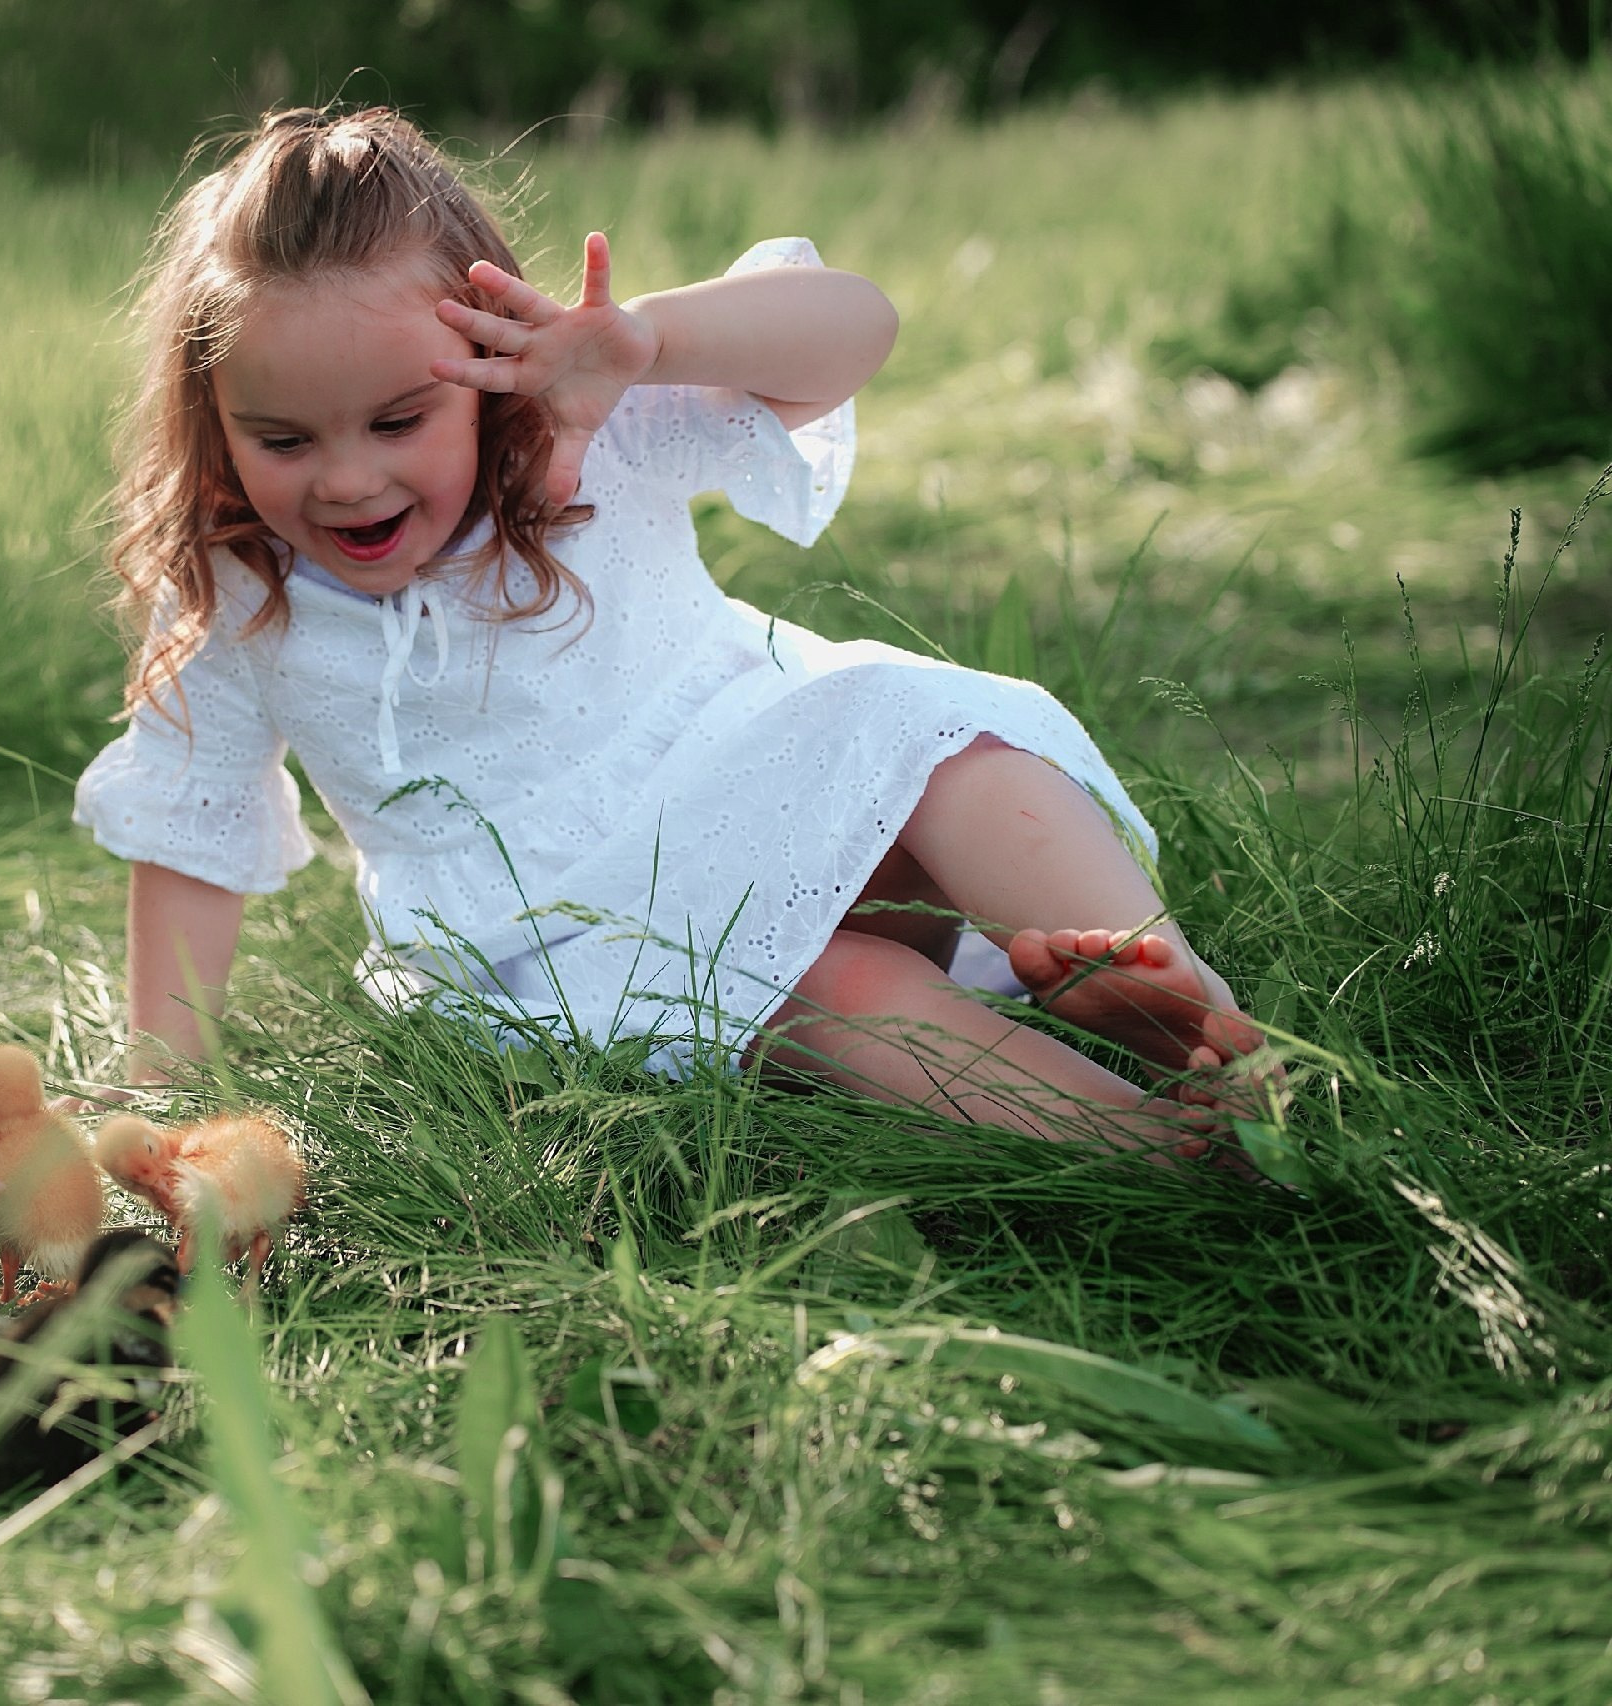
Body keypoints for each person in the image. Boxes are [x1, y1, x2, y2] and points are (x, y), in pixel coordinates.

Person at [72, 106, 1264, 1157]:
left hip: (779, 788)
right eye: (283, 440)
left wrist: (647, 339)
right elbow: (193, 829)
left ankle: (1188, 1011)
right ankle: (1146, 1138)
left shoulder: (582, 431)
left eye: (397, 419)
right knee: (819, 985)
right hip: (573, 932)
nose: (344, 480)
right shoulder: (238, 590)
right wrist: (161, 1080)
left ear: (496, 361)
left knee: (945, 746)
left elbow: (855, 327)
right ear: (211, 416)